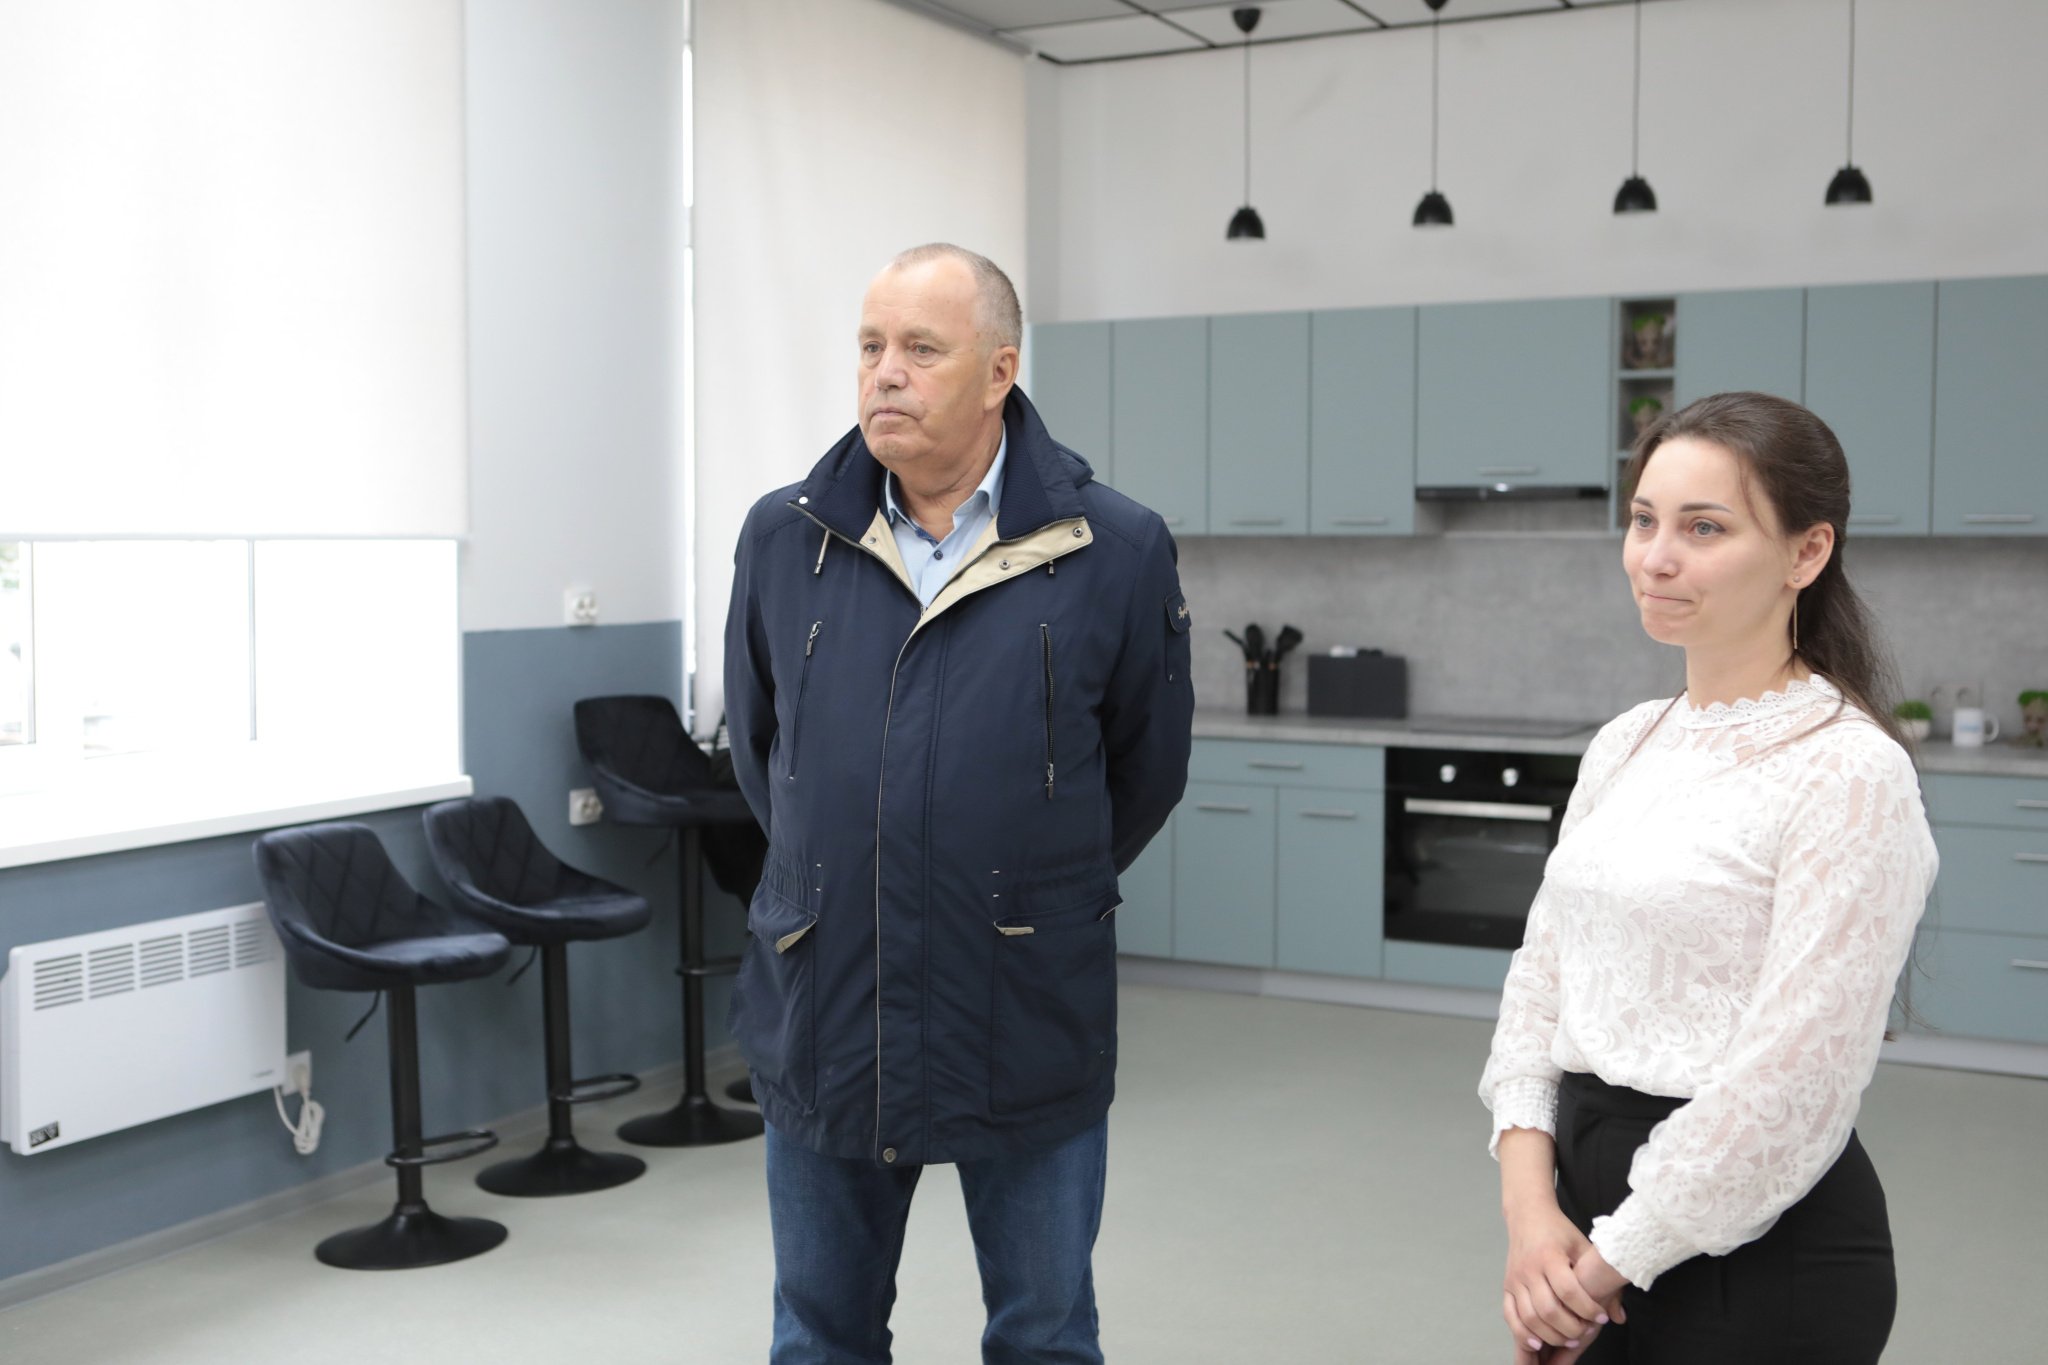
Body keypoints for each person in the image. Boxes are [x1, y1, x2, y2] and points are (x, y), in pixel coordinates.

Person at [723, 242, 1193, 1364]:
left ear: (999, 371)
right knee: (818, 1333)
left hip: (1022, 1001)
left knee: (1043, 1333)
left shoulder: (1112, 547)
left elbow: (1144, 772)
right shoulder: (785, 537)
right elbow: (763, 754)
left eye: (921, 349)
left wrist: (1031, 882)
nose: (885, 372)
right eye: (869, 346)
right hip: (828, 1000)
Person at [1477, 391, 1938, 1364]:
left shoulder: (1848, 770)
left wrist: (1596, 1275)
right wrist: (1529, 1219)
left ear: (1806, 553)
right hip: (1577, 1222)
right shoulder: (1625, 742)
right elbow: (1539, 985)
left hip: (1758, 1258)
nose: (1655, 557)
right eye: (1643, 519)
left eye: (1703, 527)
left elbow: (1792, 1083)